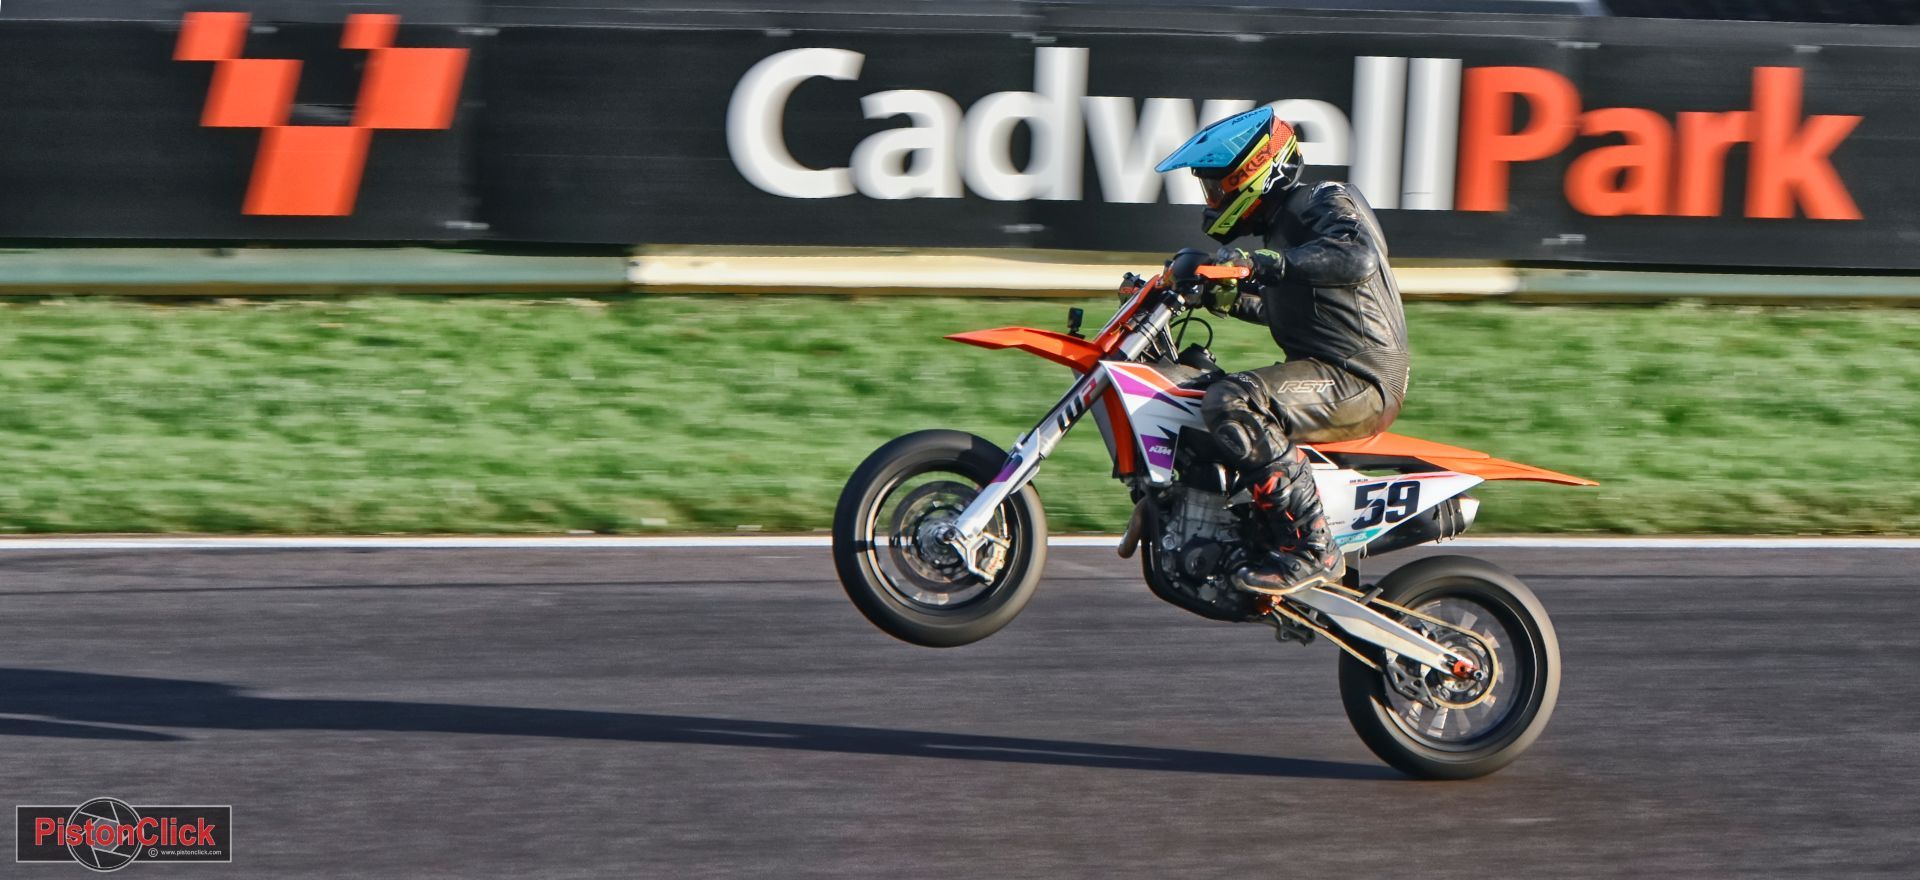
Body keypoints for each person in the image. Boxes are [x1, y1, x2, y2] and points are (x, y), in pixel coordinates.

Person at [1152, 106, 1410, 597]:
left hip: (1359, 380)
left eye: (1217, 187)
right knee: (1197, 385)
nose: (1212, 200)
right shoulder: (1281, 235)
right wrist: (1218, 295)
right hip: (1329, 371)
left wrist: (1260, 265)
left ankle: (1313, 549)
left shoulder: (1325, 199)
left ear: (1254, 174)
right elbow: (1289, 308)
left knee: (1233, 400)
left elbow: (1356, 256)